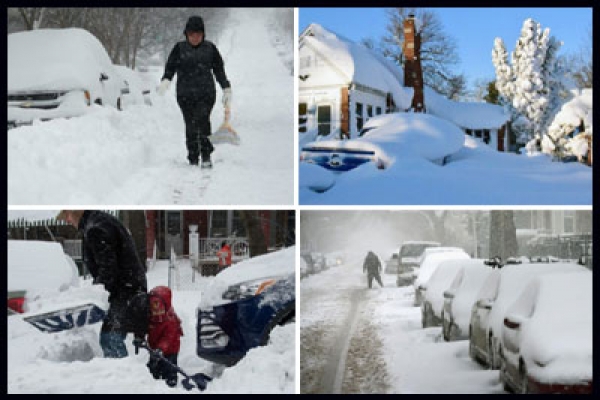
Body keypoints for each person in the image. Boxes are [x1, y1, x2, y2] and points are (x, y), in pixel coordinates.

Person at [57, 210, 148, 358]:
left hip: (126, 291)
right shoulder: (99, 221)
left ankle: (121, 376)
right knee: (111, 336)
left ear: (77, 211)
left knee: (110, 338)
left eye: (66, 215)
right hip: (129, 287)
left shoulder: (95, 229)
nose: (67, 221)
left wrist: (96, 295)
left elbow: (108, 269)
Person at [158, 15, 232, 169]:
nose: (195, 38)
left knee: (203, 122)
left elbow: (219, 69)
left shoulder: (210, 49)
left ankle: (206, 155)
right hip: (185, 94)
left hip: (206, 93)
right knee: (190, 126)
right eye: (192, 34)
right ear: (186, 34)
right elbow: (170, 66)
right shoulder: (179, 49)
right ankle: (192, 156)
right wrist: (166, 80)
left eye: (198, 34)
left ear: (203, 34)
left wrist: (226, 87)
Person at [143, 286, 184, 388]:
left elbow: (168, 337)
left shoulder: (170, 320)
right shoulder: (151, 318)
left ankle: (171, 384)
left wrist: (161, 348)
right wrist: (139, 337)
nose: (156, 313)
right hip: (155, 350)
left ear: (165, 306)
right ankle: (152, 385)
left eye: (159, 311)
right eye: (154, 311)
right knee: (152, 369)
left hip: (170, 350)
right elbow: (143, 327)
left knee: (169, 369)